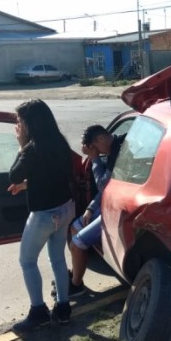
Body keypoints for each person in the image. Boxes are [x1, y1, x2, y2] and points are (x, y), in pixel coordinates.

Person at [7, 98, 75, 333]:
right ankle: (63, 309)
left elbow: (14, 175)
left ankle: (38, 312)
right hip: (66, 208)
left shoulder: (32, 148)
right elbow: (51, 175)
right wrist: (28, 186)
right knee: (58, 258)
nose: (18, 125)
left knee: (27, 261)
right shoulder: (59, 142)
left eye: (19, 121)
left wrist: (21, 145)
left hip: (45, 214)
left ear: (29, 124)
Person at [53, 125, 124, 298]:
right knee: (75, 227)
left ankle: (76, 286)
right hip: (108, 203)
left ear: (100, 140)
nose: (97, 153)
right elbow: (106, 190)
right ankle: (76, 275)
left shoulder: (119, 150)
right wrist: (91, 208)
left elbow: (104, 185)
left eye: (94, 148)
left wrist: (94, 159)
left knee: (77, 244)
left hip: (120, 209)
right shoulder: (112, 147)